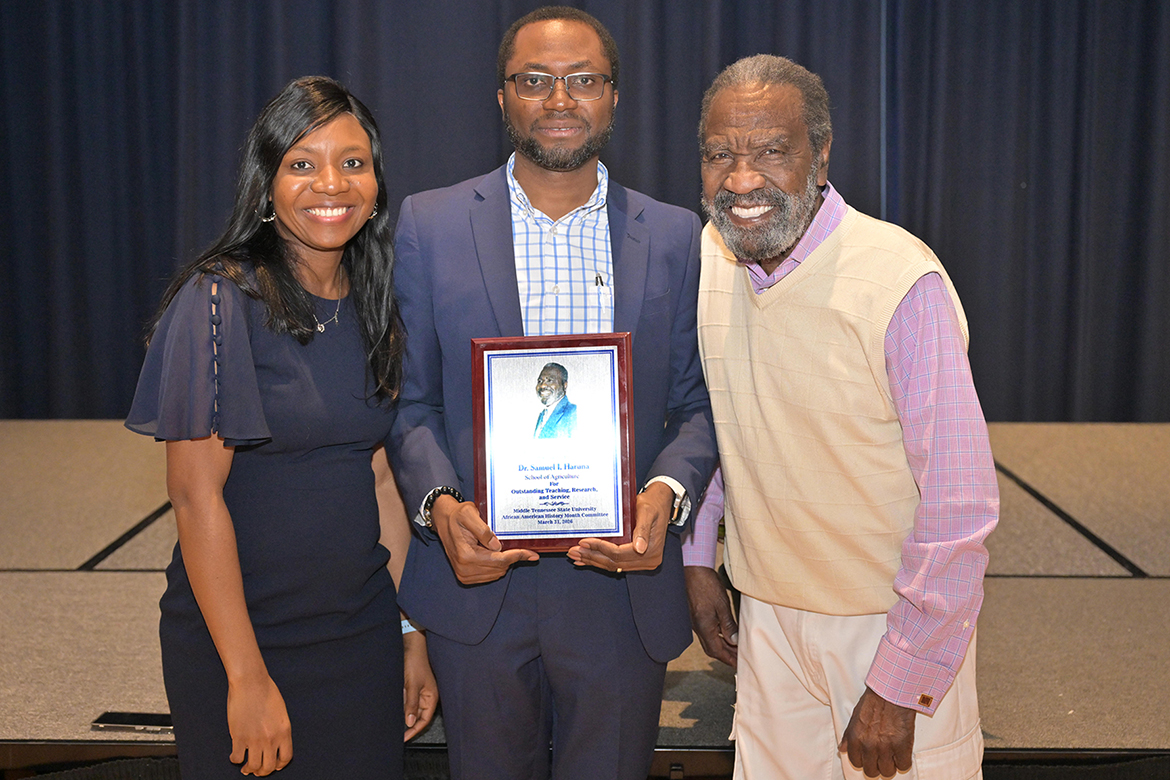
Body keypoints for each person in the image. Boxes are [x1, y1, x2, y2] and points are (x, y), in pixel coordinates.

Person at [387, 7, 717, 780]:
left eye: (582, 81)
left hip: (619, 583)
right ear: (502, 97)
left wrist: (666, 494)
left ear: (613, 96)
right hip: (481, 580)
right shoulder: (430, 224)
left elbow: (699, 404)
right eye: (535, 80)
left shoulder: (673, 237)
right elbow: (411, 403)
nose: (559, 99)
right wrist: (439, 505)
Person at [683, 55, 999, 780]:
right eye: (720, 154)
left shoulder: (899, 280)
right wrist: (701, 562)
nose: (741, 180)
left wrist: (900, 679)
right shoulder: (710, 258)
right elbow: (728, 422)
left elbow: (960, 505)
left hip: (886, 625)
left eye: (772, 151)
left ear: (820, 156)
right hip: (766, 623)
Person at [125, 76, 437, 779]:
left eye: (353, 163)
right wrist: (245, 677)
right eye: (302, 163)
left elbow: (381, 475)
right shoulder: (219, 300)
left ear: (378, 185)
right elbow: (195, 497)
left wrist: (407, 630)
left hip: (359, 639)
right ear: (265, 185)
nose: (332, 182)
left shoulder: (376, 301)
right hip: (241, 642)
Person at [533, 362, 576, 438]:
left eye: (549, 380)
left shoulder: (573, 413)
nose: (542, 385)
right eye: (540, 381)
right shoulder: (542, 415)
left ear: (564, 385)